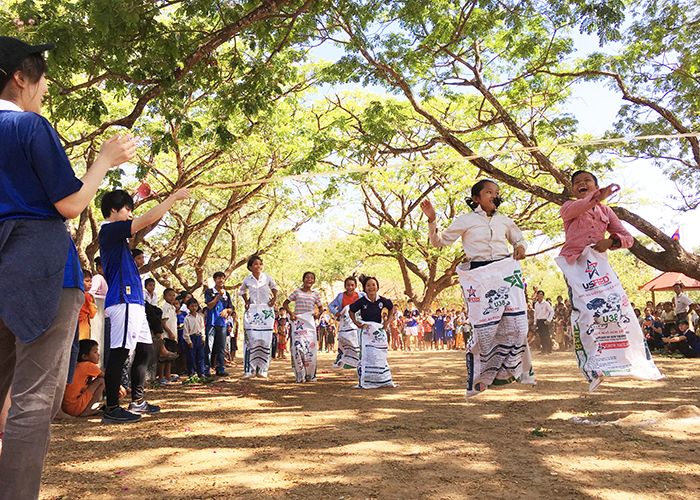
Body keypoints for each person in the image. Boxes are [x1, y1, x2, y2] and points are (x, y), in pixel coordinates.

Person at [0, 36, 136, 499]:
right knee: (33, 399)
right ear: (21, 77)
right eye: (40, 76)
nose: (44, 86)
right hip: (39, 270)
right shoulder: (30, 128)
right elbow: (71, 203)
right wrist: (103, 161)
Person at [421, 179, 533, 397]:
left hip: (505, 272)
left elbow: (519, 239)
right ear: (476, 199)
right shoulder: (465, 220)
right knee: (485, 331)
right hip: (479, 276)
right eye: (489, 191)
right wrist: (432, 220)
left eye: (497, 192)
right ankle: (481, 379)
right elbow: (439, 242)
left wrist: (520, 247)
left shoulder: (505, 221)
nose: (494, 195)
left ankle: (511, 372)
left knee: (519, 327)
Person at [554, 170, 662, 389]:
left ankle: (626, 362)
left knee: (615, 310)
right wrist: (596, 198)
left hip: (599, 265)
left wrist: (611, 243)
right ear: (573, 189)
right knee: (585, 313)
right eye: (577, 183)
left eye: (587, 181)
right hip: (575, 264)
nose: (581, 184)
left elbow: (628, 238)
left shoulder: (607, 211)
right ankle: (593, 368)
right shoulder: (568, 207)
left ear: (596, 185)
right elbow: (579, 207)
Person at [99, 187, 188, 424]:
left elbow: (147, 223)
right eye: (127, 209)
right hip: (123, 300)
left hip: (134, 303)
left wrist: (161, 206)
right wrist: (172, 198)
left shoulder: (119, 237)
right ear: (113, 210)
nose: (130, 214)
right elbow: (144, 220)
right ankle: (111, 408)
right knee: (120, 351)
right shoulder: (108, 230)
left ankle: (137, 401)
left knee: (146, 350)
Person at [348, 275, 396, 388]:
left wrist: (388, 320)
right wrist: (355, 322)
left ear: (377, 287)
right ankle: (366, 379)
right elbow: (351, 310)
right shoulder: (362, 301)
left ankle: (381, 377)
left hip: (378, 330)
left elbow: (391, 307)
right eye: (368, 285)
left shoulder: (382, 300)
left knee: (379, 354)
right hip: (366, 332)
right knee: (366, 354)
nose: (371, 287)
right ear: (365, 288)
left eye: (373, 285)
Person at [239, 255, 277, 377]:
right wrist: (246, 302)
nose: (258, 266)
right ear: (250, 267)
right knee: (252, 339)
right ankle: (250, 370)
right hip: (253, 310)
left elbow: (275, 288)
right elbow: (242, 291)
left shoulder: (267, 277)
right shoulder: (247, 279)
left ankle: (263, 369)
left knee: (266, 340)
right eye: (255, 264)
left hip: (266, 310)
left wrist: (274, 299)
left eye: (260, 264)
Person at [284, 271, 323, 383]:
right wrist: (291, 314)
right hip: (298, 325)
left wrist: (318, 314)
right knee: (297, 348)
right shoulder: (296, 292)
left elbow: (321, 309)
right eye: (307, 277)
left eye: (311, 278)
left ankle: (311, 375)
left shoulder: (315, 295)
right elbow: (285, 303)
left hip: (310, 326)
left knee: (310, 349)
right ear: (303, 279)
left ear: (314, 281)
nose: (309, 280)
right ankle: (300, 375)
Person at [60, 339, 105, 417]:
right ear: (84, 356)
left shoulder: (77, 366)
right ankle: (87, 409)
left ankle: (86, 408)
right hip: (75, 407)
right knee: (101, 381)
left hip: (66, 408)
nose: (98, 355)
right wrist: (120, 388)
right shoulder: (88, 366)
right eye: (95, 352)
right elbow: (107, 378)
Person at [204, 272, 235, 377]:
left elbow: (231, 308)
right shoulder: (209, 292)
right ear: (214, 279)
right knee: (209, 346)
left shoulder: (227, 294)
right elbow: (209, 306)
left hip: (222, 324)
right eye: (219, 278)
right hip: (211, 323)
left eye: (223, 279)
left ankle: (220, 368)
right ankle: (206, 368)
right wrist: (218, 295)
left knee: (221, 347)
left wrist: (227, 310)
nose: (221, 280)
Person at [159, 288, 180, 385]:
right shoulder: (165, 308)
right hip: (167, 336)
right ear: (165, 297)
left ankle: (168, 375)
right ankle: (161, 376)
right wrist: (170, 333)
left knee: (170, 357)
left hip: (173, 336)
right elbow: (163, 322)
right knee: (163, 357)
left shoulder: (173, 308)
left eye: (173, 295)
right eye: (170, 295)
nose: (172, 297)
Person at [183, 298, 207, 377]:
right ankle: (191, 373)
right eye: (192, 306)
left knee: (200, 356)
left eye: (195, 306)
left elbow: (202, 328)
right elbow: (185, 331)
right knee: (191, 357)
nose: (194, 308)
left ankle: (201, 373)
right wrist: (188, 341)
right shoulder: (187, 318)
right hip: (191, 338)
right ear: (188, 307)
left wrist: (203, 338)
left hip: (199, 337)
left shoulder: (199, 317)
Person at [78, 270, 98, 340]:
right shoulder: (87, 296)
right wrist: (94, 304)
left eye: (90, 281)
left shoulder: (74, 295)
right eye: (87, 281)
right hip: (83, 327)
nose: (90, 284)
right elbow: (92, 314)